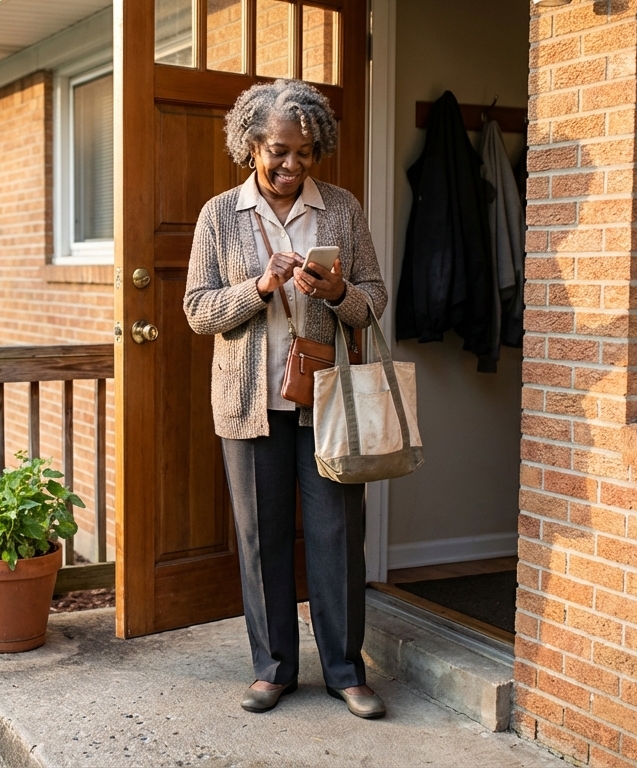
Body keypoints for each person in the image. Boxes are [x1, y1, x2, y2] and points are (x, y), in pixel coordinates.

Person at [183, 79, 388, 719]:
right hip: (249, 408)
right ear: (250, 146)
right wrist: (260, 287)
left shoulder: (343, 210)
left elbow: (375, 299)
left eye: (304, 152)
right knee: (262, 539)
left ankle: (345, 672)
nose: (291, 164)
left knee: (336, 535)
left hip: (325, 403)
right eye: (278, 150)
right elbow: (196, 311)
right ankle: (273, 668)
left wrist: (336, 294)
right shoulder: (220, 215)